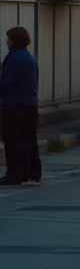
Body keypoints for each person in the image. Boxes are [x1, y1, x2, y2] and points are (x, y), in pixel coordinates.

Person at [0, 26, 41, 187]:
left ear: (15, 41)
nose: (7, 43)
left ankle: (15, 173)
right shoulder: (30, 58)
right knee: (29, 140)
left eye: (8, 39)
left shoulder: (14, 59)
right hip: (30, 105)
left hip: (14, 105)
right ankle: (33, 172)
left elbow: (6, 83)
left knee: (13, 140)